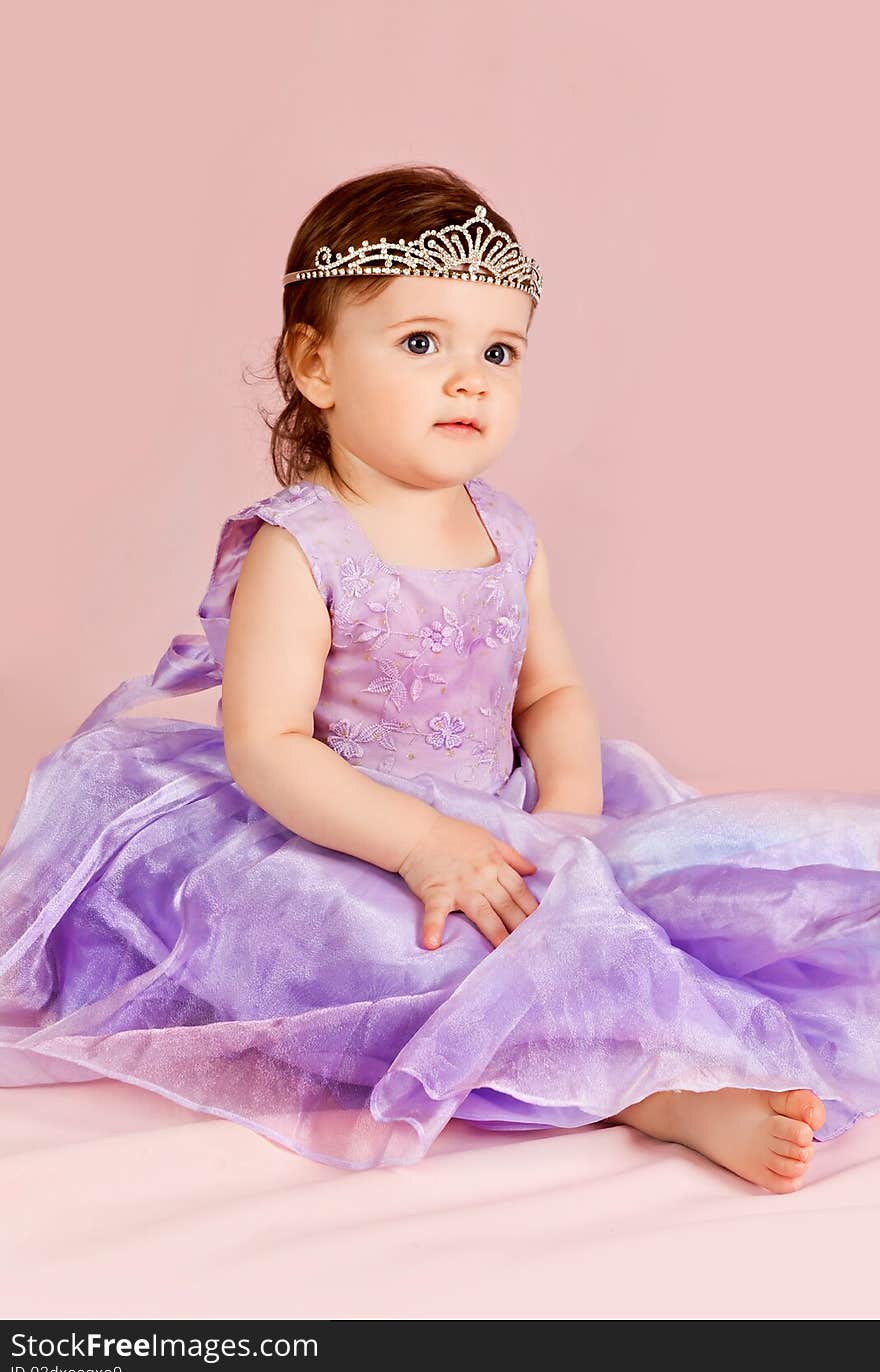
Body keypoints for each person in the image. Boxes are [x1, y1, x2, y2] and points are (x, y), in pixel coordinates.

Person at [1, 165, 877, 1188]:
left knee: (663, 896)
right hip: (347, 835)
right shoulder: (303, 547)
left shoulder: (506, 530)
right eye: (423, 344)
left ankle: (699, 1032)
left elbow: (548, 692)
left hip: (508, 814)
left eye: (498, 351)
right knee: (400, 961)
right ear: (315, 365)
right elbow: (268, 743)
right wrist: (419, 844)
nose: (471, 379)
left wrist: (571, 815)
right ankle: (657, 1092)